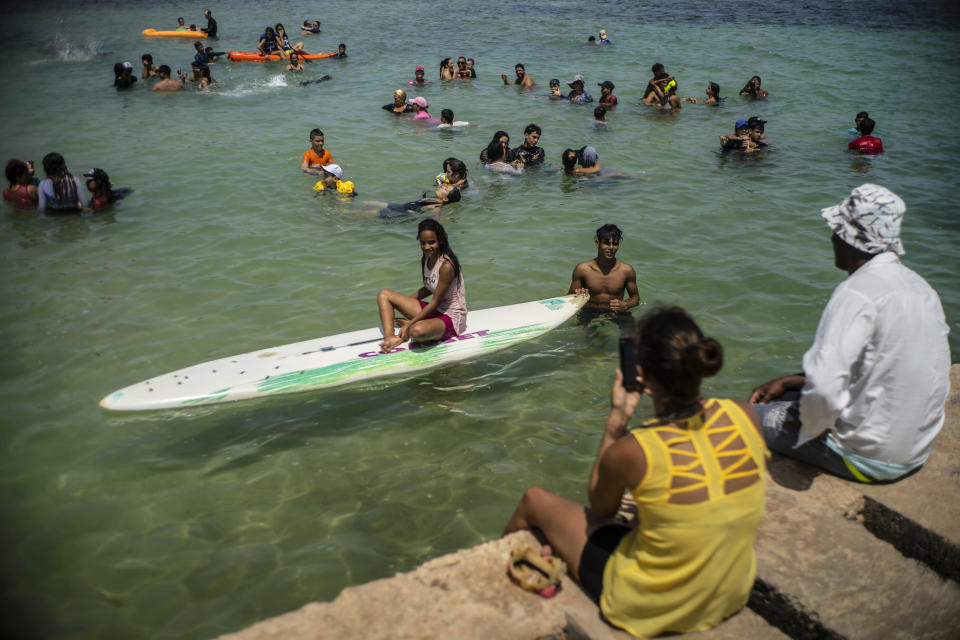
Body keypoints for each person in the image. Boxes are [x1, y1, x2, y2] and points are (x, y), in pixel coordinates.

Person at [503, 304, 767, 637]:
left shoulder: (635, 450)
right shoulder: (745, 414)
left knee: (534, 500)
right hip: (730, 593)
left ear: (640, 372)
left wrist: (617, 420)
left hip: (649, 605)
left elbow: (600, 509)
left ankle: (502, 598)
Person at [750, 185, 950, 483]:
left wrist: (805, 425)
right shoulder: (919, 287)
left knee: (740, 415)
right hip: (915, 450)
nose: (832, 237)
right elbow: (883, 367)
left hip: (869, 458)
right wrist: (791, 381)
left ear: (847, 237)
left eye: (836, 230)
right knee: (790, 394)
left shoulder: (856, 293)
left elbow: (825, 392)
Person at [377, 219, 466, 352]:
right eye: (422, 243)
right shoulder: (426, 258)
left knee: (417, 331)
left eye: (431, 242)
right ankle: (390, 338)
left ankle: (409, 327)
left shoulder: (447, 266)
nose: (426, 247)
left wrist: (410, 324)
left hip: (451, 317)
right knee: (384, 295)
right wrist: (403, 302)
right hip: (435, 311)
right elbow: (428, 287)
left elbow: (435, 302)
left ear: (440, 241)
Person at [567, 224, 639, 316]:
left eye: (615, 244)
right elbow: (569, 298)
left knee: (630, 330)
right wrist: (578, 295)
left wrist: (626, 305)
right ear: (597, 243)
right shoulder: (583, 269)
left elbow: (635, 298)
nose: (611, 248)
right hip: (589, 311)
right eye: (607, 243)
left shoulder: (626, 271)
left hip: (616, 312)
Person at [375, 183, 462, 218]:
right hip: (402, 206)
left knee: (372, 213)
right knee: (369, 203)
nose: (443, 186)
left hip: (404, 213)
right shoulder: (435, 197)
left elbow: (435, 218)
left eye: (445, 188)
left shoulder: (436, 206)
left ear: (445, 199)